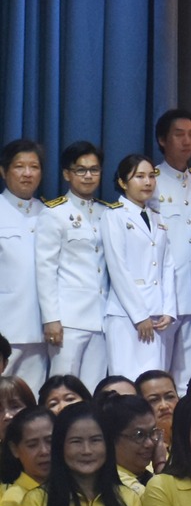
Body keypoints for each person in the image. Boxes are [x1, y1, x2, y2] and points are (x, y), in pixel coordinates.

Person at [39, 142, 112, 387]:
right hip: (68, 320)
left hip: (101, 318)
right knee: (62, 388)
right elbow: (45, 269)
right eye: (81, 170)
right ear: (66, 174)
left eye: (94, 169)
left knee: (94, 390)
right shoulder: (54, 213)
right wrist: (51, 318)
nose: (88, 176)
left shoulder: (107, 213)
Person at [149, 113, 191, 385]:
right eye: (179, 134)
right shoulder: (151, 180)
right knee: (157, 373)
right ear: (163, 140)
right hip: (163, 294)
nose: (187, 141)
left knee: (188, 378)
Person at [101, 156, 172, 382]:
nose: (148, 182)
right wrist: (139, 315)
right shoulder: (114, 215)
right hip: (126, 315)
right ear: (123, 182)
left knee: (155, 380)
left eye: (151, 176)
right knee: (127, 381)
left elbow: (167, 265)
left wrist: (169, 309)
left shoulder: (157, 217)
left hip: (157, 315)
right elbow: (118, 268)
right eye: (139, 177)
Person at [0, 140, 51, 390]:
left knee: (31, 398)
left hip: (42, 329)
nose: (27, 173)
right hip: (6, 324)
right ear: (4, 171)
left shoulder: (49, 212)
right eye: (19, 166)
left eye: (34, 167)